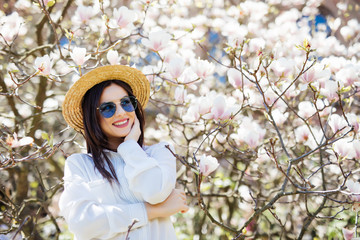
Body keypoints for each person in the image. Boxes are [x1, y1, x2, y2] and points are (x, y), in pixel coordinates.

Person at [59, 65, 189, 240]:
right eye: (107, 108)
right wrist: (153, 211)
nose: (121, 113)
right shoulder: (80, 165)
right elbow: (82, 224)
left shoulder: (160, 152)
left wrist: (129, 146)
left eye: (126, 103)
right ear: (93, 117)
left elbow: (156, 192)